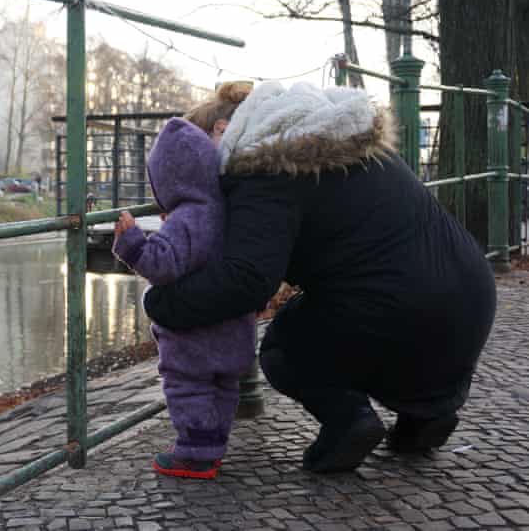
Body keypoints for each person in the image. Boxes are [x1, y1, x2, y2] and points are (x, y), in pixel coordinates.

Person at [142, 81, 496, 473]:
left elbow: (247, 280)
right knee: (365, 300)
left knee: (284, 344)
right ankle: (429, 414)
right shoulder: (340, 135)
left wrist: (161, 304)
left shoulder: (263, 168)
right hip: (472, 297)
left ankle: (348, 420)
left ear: (222, 133)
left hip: (403, 313)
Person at [112, 116, 255, 479]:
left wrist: (131, 243)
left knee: (187, 386)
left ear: (166, 179)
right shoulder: (229, 209)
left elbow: (161, 264)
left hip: (194, 335)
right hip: (235, 325)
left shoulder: (188, 217)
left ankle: (195, 452)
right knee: (224, 386)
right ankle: (215, 442)